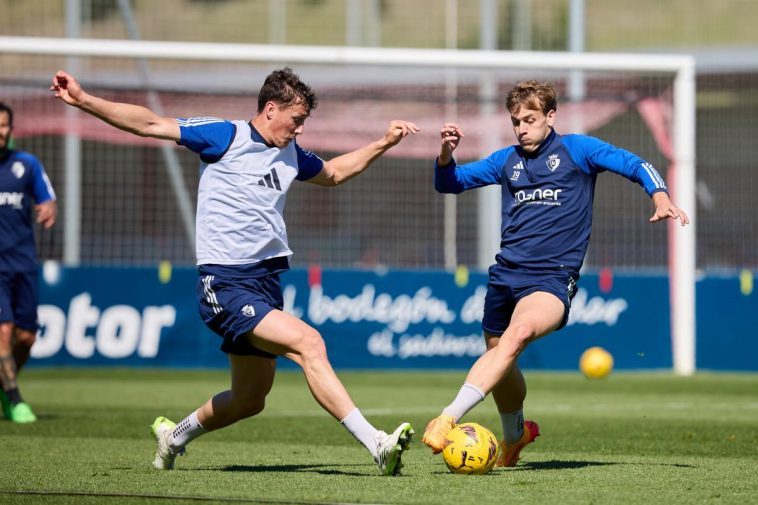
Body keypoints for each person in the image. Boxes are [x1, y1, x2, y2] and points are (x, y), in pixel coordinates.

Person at [50, 67, 419, 475]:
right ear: (271, 109)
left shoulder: (292, 154)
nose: (299, 130)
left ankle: (174, 436)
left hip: (264, 283)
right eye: (296, 120)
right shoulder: (225, 136)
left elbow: (333, 174)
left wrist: (384, 142)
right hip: (224, 283)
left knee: (250, 399)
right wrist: (83, 100)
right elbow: (151, 123)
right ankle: (377, 444)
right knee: (309, 343)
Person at [422, 80, 689, 466]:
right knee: (500, 356)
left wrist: (659, 194)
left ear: (550, 116)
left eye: (529, 119)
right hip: (505, 276)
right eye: (516, 121)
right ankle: (515, 437)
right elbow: (451, 184)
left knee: (518, 335)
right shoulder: (506, 160)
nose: (521, 128)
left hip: (551, 279)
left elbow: (635, 163)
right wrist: (446, 155)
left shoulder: (578, 150)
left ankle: (448, 416)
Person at [0, 101, 58, 424]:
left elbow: (47, 198)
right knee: (3, 332)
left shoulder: (27, 164)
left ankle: (5, 383)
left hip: (22, 263)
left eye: (4, 126)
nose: (0, 132)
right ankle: (14, 398)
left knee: (26, 338)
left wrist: (49, 209)